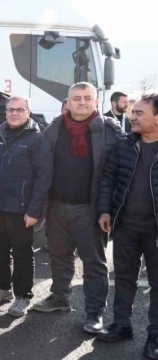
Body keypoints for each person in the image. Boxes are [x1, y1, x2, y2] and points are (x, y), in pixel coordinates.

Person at [32, 82, 123, 335]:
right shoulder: (55, 128)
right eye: (77, 98)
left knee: (94, 263)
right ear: (68, 102)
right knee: (59, 256)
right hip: (57, 206)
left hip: (90, 209)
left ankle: (94, 313)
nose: (82, 102)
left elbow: (117, 174)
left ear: (96, 101)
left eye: (87, 98)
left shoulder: (109, 130)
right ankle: (60, 298)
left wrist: (107, 209)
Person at [96, 92, 158, 359]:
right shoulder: (124, 144)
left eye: (139, 113)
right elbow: (108, 178)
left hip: (155, 231)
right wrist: (105, 210)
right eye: (132, 112)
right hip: (125, 227)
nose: (132, 117)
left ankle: (155, 336)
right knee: (123, 278)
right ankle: (122, 325)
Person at [0, 96, 52, 317]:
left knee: (22, 253)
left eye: (20, 110)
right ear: (5, 112)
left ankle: (23, 295)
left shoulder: (37, 139)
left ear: (28, 112)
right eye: (11, 109)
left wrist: (34, 210)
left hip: (21, 209)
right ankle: (3, 288)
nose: (14, 113)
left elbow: (44, 177)